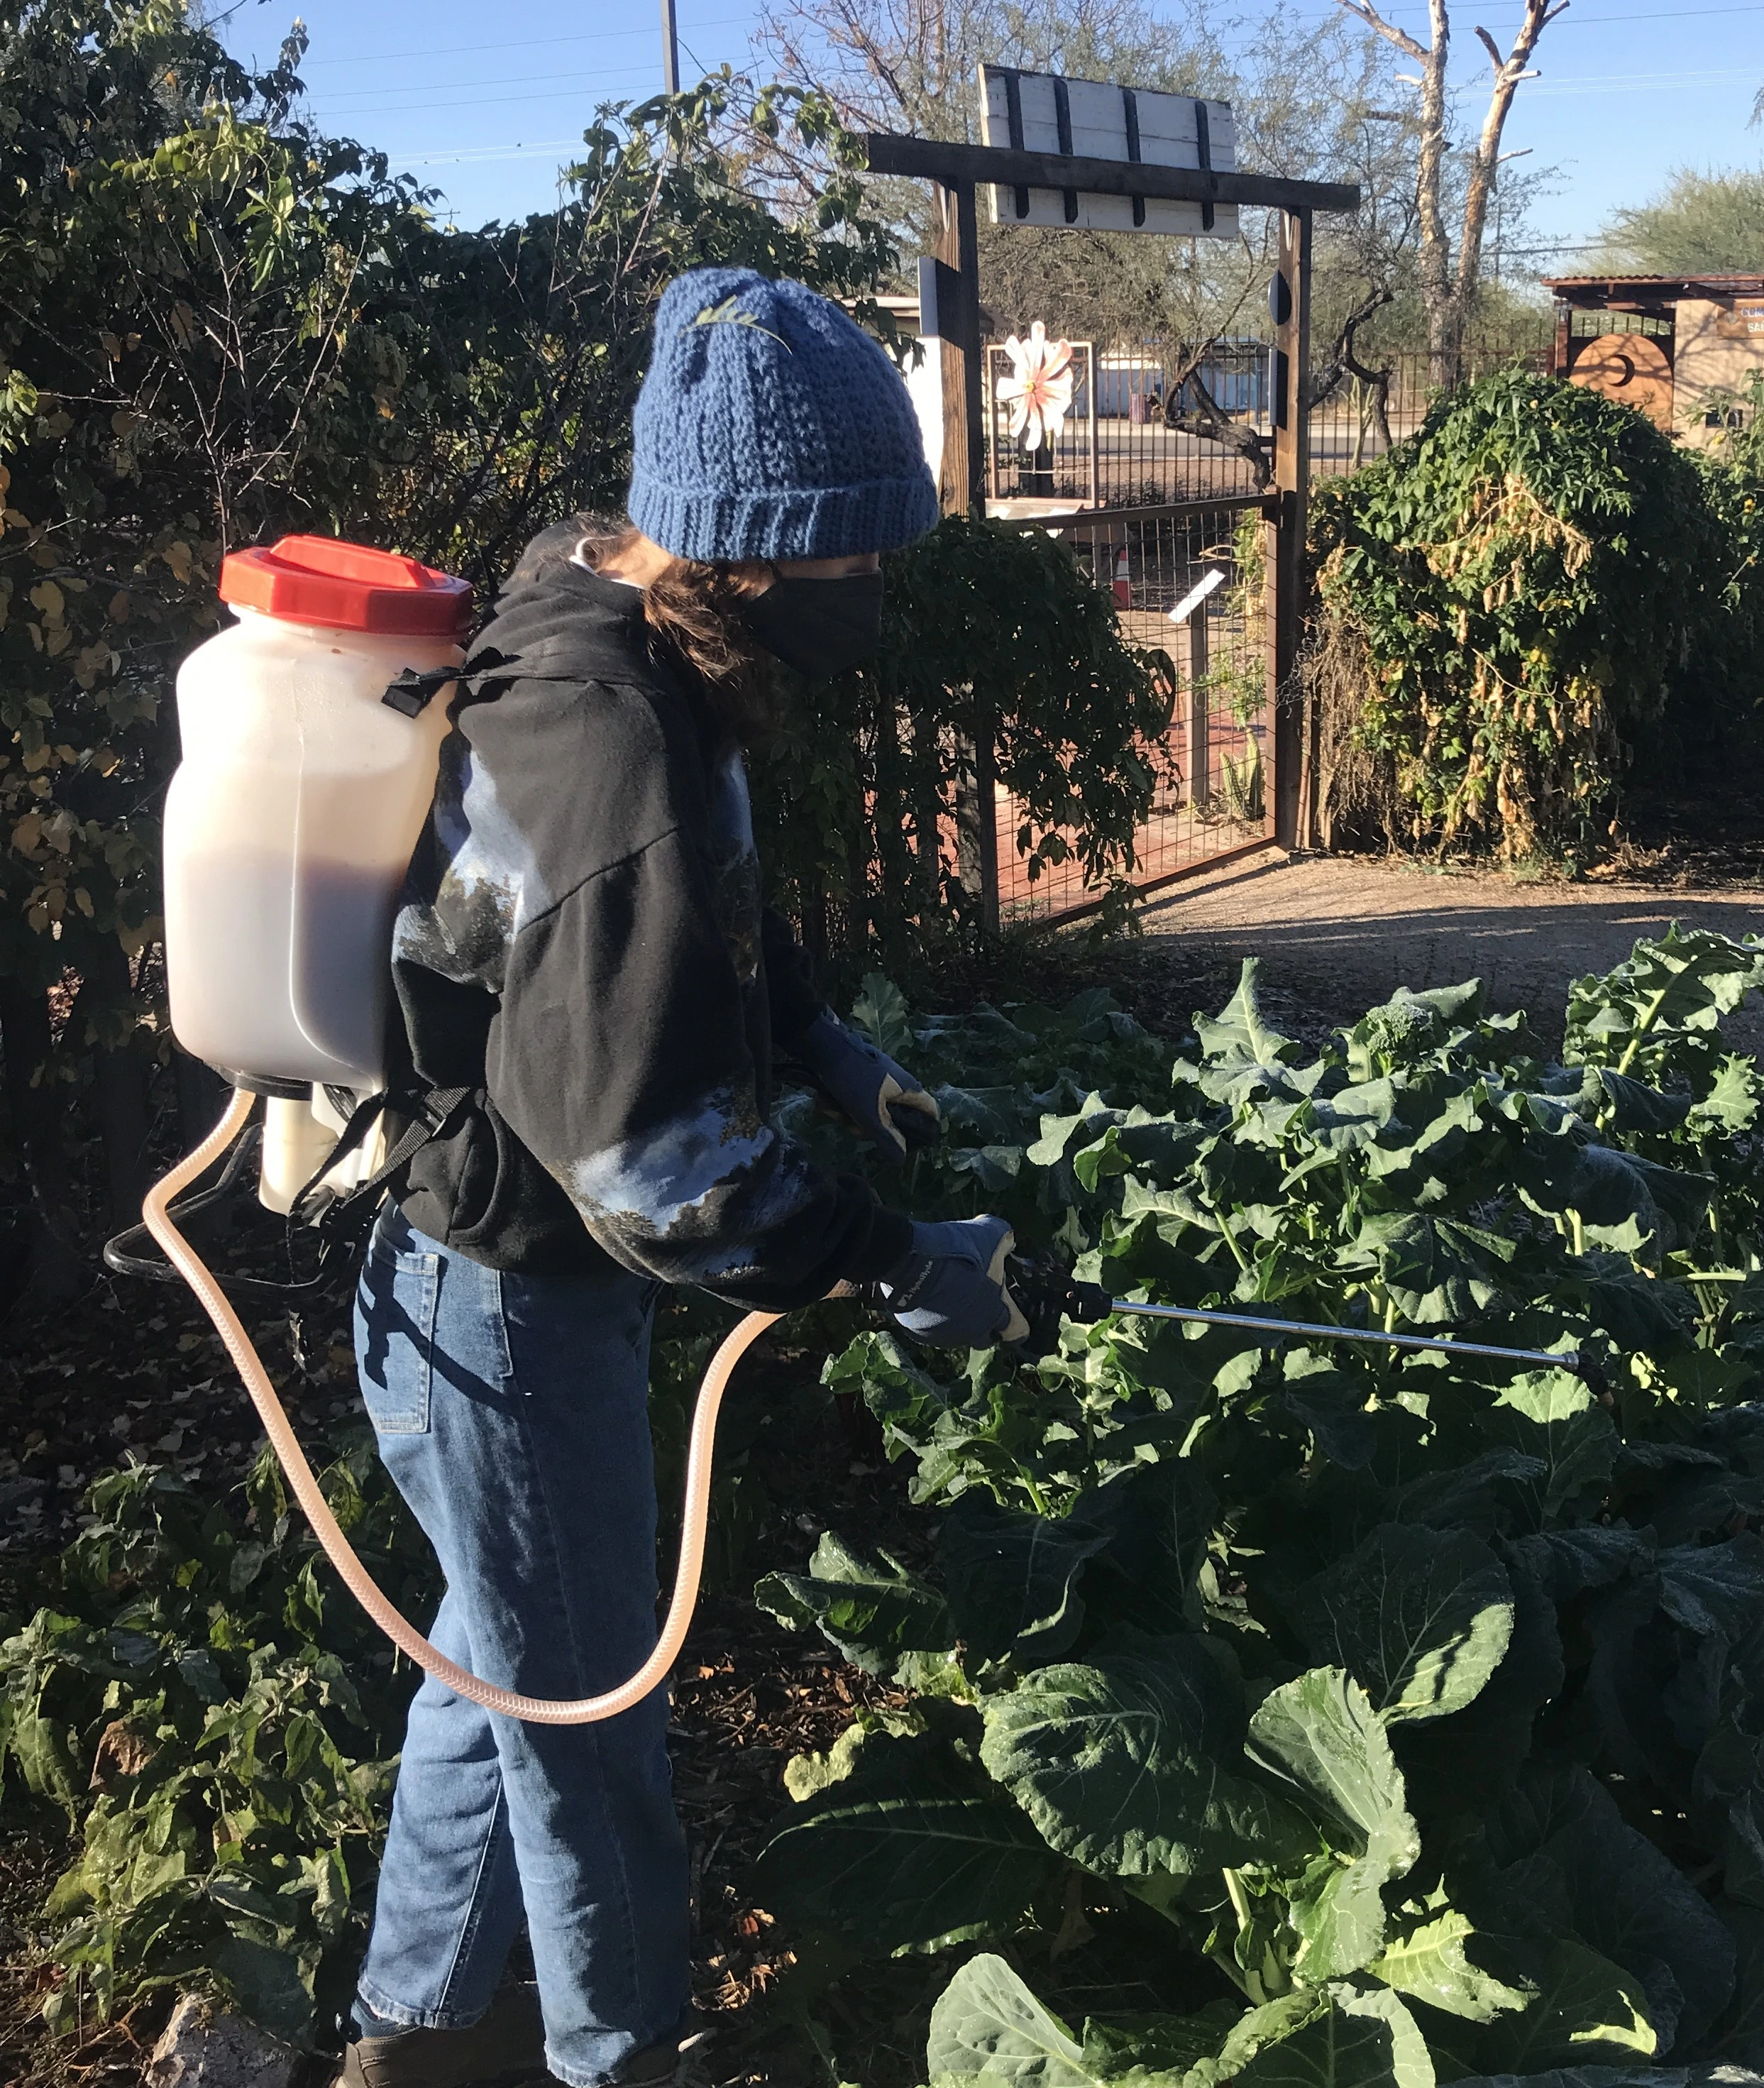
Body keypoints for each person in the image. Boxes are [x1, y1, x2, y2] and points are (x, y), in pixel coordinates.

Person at [336, 268, 1023, 2088]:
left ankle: (410, 2035)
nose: (871, 600)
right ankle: (627, 2055)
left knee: (500, 1662)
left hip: (475, 1280)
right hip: (503, 1299)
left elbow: (680, 931)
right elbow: (649, 1164)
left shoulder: (612, 614)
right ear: (743, 553)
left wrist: (817, 1042)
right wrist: (889, 1262)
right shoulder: (617, 739)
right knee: (586, 1712)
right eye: (849, 569)